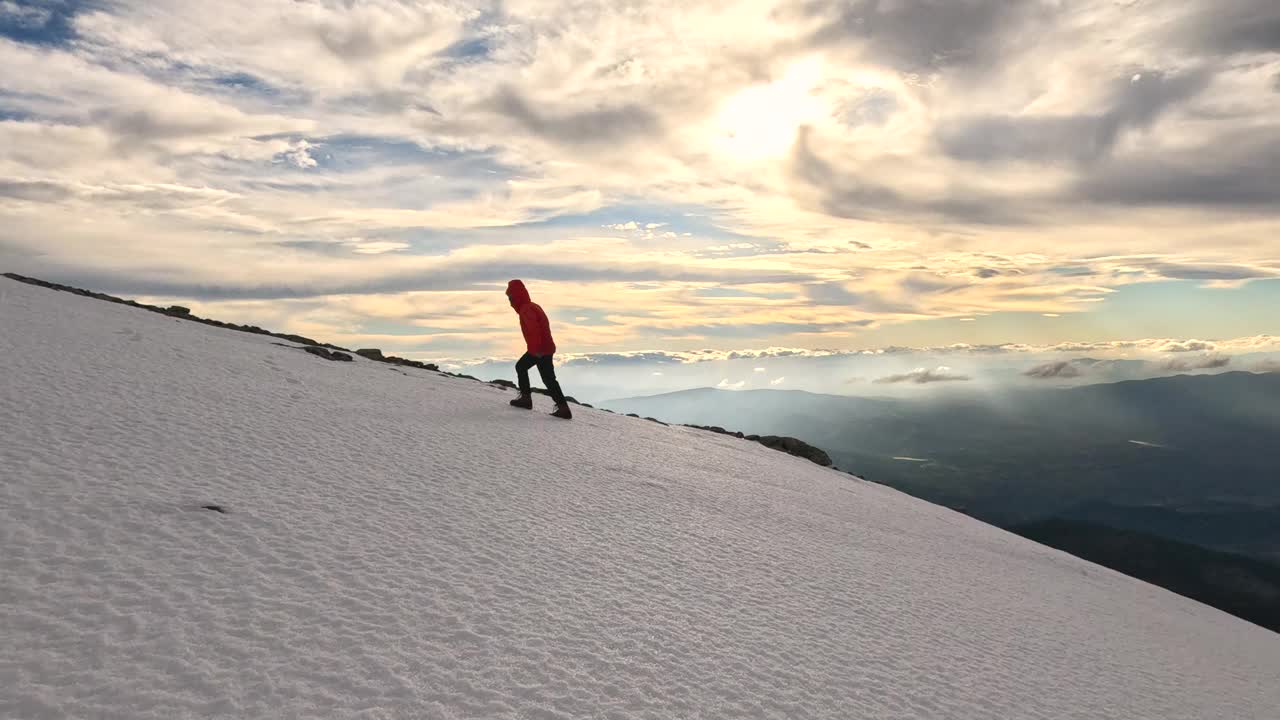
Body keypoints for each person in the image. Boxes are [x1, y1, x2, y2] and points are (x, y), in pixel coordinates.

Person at [505, 279, 572, 419]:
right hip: (546, 347)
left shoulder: (526, 309)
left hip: (539, 349)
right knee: (549, 379)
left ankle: (526, 399)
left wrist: (536, 351)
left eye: (510, 297)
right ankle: (563, 408)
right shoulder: (533, 306)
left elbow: (535, 331)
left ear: (517, 296)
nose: (509, 301)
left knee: (521, 367)